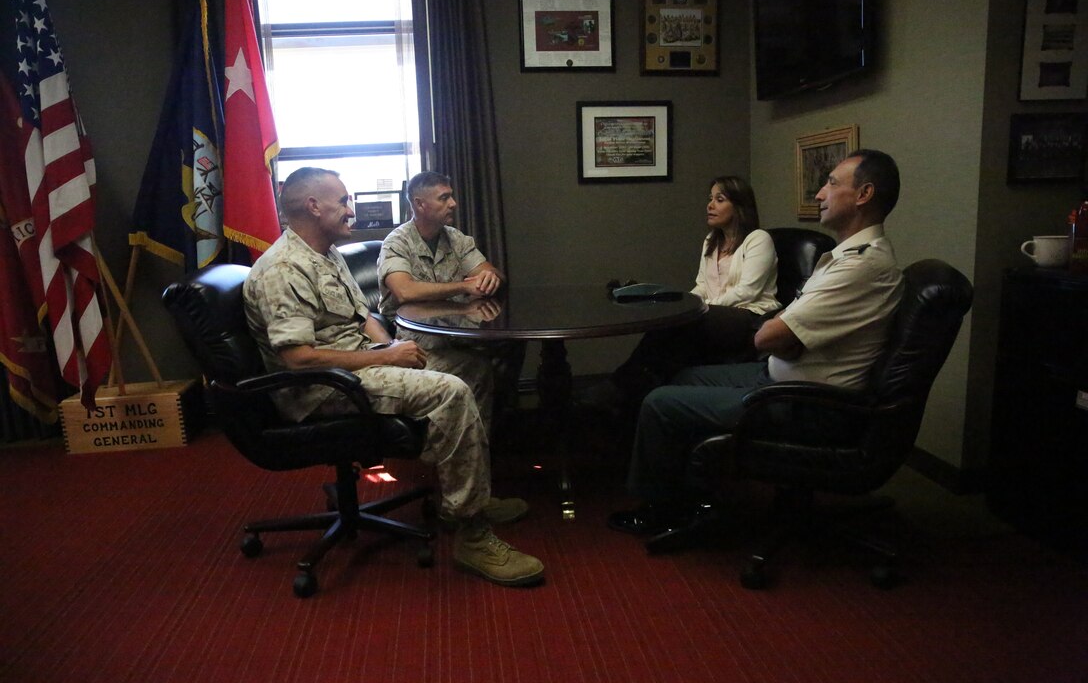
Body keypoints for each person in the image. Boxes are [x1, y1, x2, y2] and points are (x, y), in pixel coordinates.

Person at [243, 167, 543, 587]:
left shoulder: (325, 254)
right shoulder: (284, 270)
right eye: (344, 201)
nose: (352, 210)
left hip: (358, 365)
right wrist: (386, 357)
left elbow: (363, 316)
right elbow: (299, 359)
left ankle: (467, 493)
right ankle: (471, 533)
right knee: (449, 392)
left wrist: (390, 351)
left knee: (471, 368)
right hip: (320, 389)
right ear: (313, 206)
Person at [609, 149, 905, 538]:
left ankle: (662, 509)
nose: (819, 194)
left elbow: (768, 334)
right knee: (683, 374)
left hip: (803, 401)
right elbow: (785, 333)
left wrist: (785, 338)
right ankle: (700, 492)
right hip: (778, 375)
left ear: (864, 194)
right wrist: (788, 339)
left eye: (831, 183)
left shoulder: (861, 266)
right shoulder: (843, 258)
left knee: (660, 402)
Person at [587, 176, 780, 410]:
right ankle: (641, 390)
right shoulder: (711, 241)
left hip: (748, 316)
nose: (710, 205)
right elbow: (701, 285)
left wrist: (701, 308)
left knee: (684, 324)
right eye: (710, 199)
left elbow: (747, 291)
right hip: (713, 314)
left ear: (739, 206)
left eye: (720, 199)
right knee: (668, 324)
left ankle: (621, 384)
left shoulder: (758, 240)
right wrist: (684, 305)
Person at [377, 171, 516, 433]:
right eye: (445, 197)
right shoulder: (396, 242)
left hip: (462, 333)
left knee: (512, 348)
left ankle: (486, 437)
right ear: (420, 204)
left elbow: (493, 274)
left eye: (451, 196)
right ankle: (462, 442)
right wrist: (464, 286)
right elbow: (404, 292)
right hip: (419, 342)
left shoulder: (456, 238)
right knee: (479, 369)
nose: (453, 203)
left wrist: (490, 278)